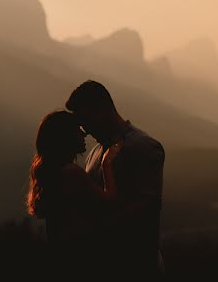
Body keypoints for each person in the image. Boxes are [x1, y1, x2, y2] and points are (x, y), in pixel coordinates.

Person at [66, 79, 166, 276]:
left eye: (86, 121)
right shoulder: (94, 154)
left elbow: (148, 207)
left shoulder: (145, 148)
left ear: (101, 111)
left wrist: (92, 231)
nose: (85, 131)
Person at [26, 110, 123, 251]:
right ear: (66, 136)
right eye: (77, 130)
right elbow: (110, 201)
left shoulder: (54, 172)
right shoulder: (70, 172)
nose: (84, 134)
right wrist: (106, 163)